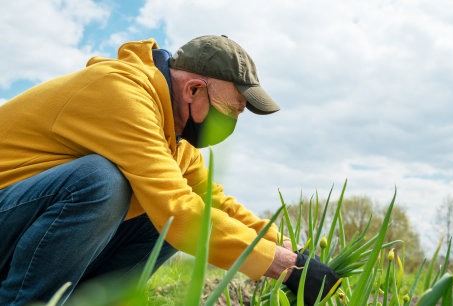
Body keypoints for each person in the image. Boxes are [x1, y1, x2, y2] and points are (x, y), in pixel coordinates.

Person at [0, 35, 339, 305]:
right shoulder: (122, 93)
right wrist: (283, 268)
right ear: (194, 89)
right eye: (232, 109)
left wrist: (291, 253)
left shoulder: (175, 140)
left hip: (24, 225)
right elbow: (178, 209)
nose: (234, 121)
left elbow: (213, 204)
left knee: (164, 214)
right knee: (102, 181)